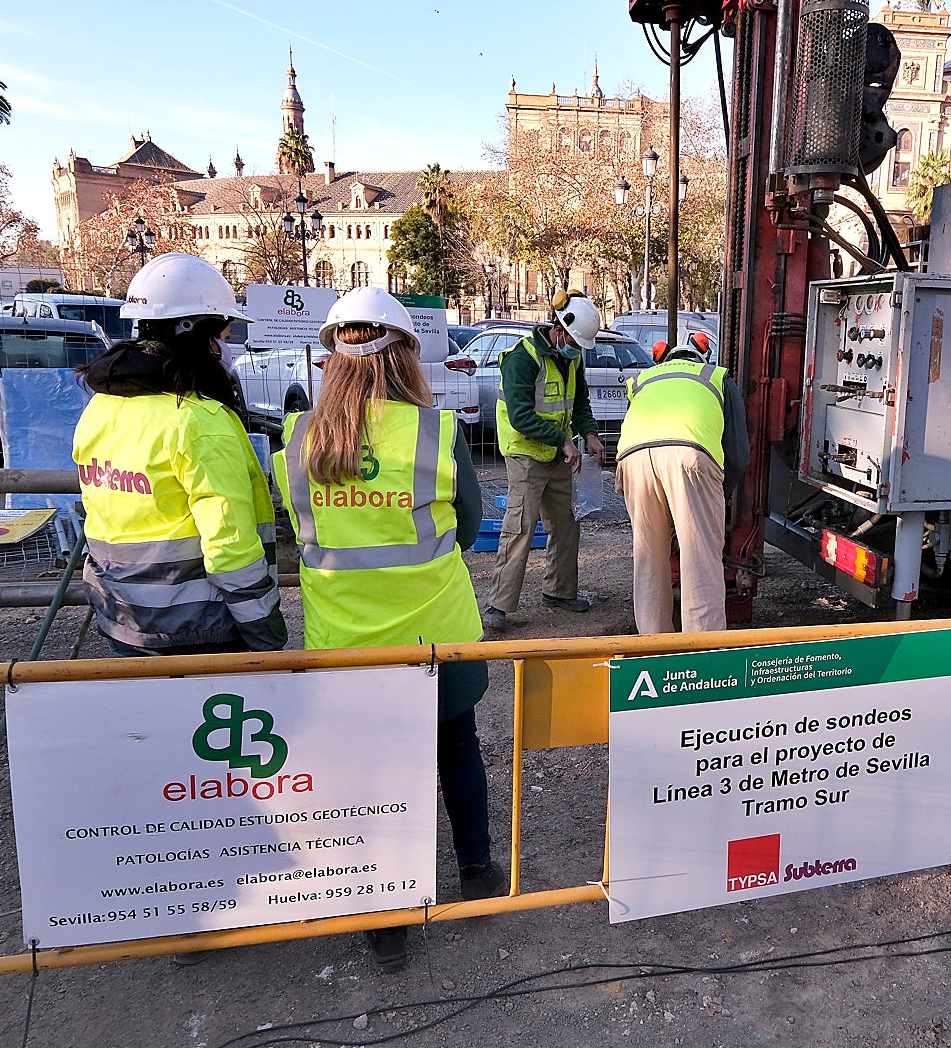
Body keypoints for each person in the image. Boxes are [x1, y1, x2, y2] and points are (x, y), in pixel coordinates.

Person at [274, 287, 507, 975]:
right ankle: (477, 874)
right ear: (405, 357)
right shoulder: (437, 433)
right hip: (439, 637)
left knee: (369, 776)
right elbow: (467, 529)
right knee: (456, 750)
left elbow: (296, 536)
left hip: (346, 647)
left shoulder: (298, 440)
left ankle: (387, 921)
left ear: (331, 359)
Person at [72, 253, 286, 658]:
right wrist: (265, 633)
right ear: (196, 333)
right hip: (198, 632)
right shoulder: (199, 421)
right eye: (222, 336)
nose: (226, 349)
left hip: (124, 621)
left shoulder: (102, 406)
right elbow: (231, 547)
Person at [481, 292, 606, 632]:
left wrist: (590, 433)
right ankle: (498, 605)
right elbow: (521, 417)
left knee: (566, 524)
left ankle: (560, 592)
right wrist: (563, 441)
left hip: (557, 455)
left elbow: (579, 402)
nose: (577, 349)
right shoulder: (523, 358)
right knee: (519, 528)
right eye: (574, 342)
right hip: (526, 455)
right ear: (559, 329)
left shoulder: (573, 358)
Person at [614, 333, 749, 634]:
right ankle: (702, 657)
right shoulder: (716, 377)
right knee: (701, 561)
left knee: (649, 558)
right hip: (690, 455)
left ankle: (653, 648)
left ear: (664, 358)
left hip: (632, 460)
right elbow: (738, 455)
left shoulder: (644, 380)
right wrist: (719, 497)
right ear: (702, 357)